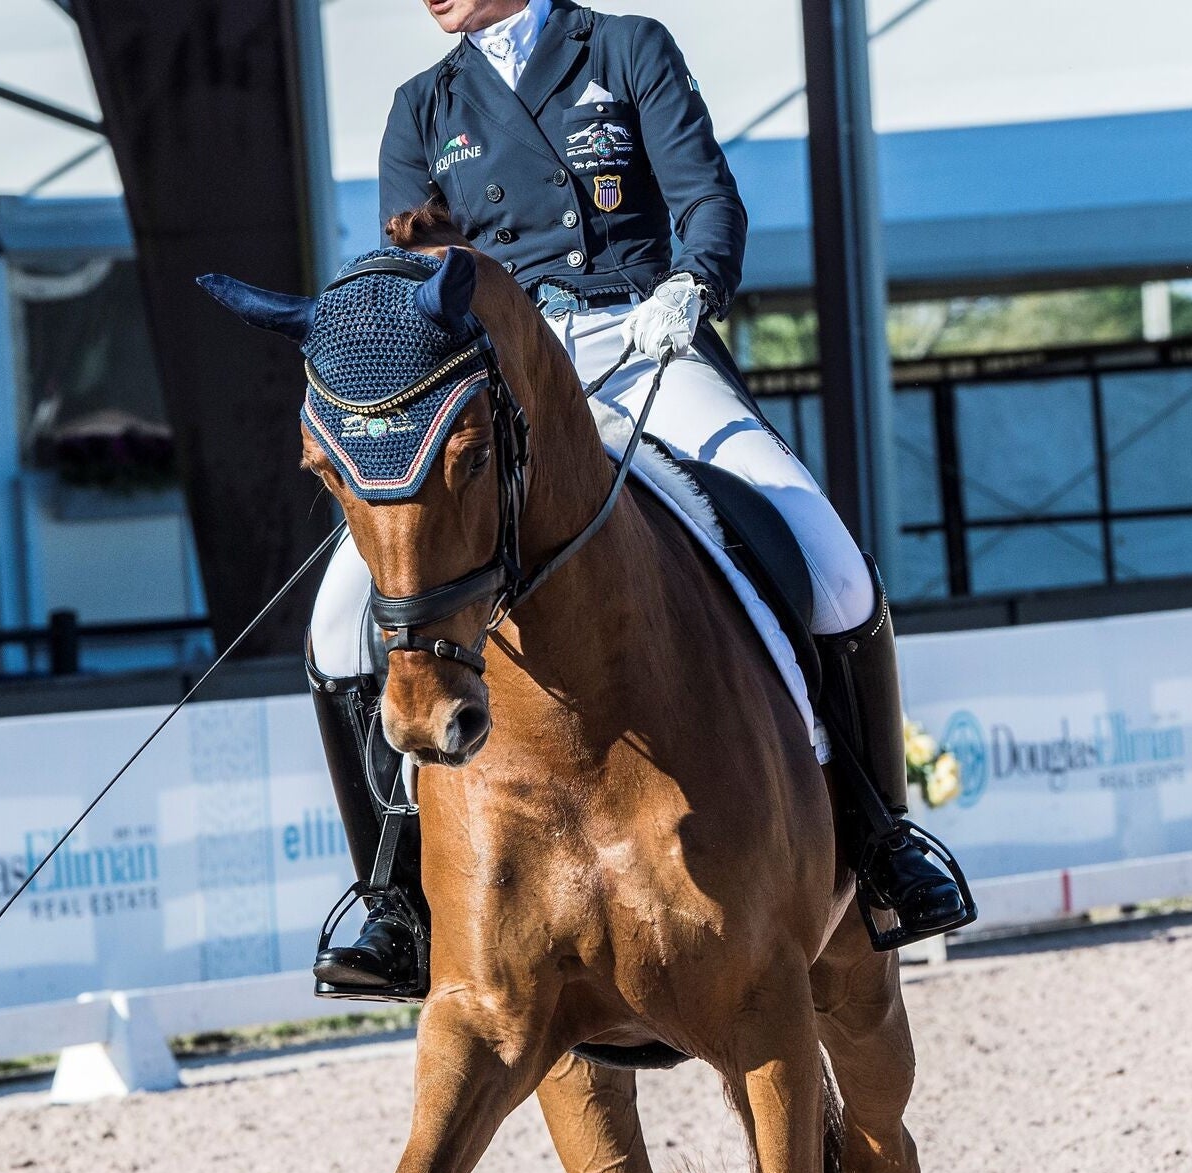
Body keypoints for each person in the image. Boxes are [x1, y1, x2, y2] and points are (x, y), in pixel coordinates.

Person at [306, 0, 971, 997]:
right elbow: (417, 274)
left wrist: (690, 286)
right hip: (499, 375)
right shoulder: (421, 105)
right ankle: (393, 897)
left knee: (828, 561)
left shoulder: (621, 49)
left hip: (639, 334)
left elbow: (707, 195)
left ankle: (880, 836)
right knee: (331, 622)